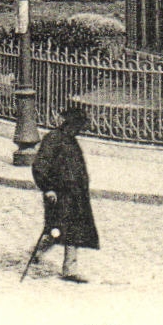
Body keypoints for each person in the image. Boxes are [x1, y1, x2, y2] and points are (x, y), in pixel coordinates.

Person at [30, 104, 99, 283]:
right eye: (78, 126)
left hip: (75, 196)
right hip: (58, 195)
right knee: (56, 229)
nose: (79, 130)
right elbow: (39, 166)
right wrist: (48, 188)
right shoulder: (53, 139)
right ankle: (37, 252)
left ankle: (69, 270)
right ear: (70, 124)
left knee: (72, 231)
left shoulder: (71, 141)